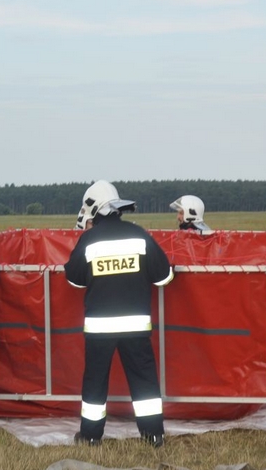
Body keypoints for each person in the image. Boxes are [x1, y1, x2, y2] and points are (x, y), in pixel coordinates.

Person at [65, 180, 174, 448]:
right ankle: (154, 435)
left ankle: (90, 436)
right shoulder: (139, 235)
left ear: (93, 209)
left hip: (99, 329)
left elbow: (74, 279)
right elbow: (164, 277)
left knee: (94, 383)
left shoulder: (88, 240)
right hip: (136, 327)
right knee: (144, 380)